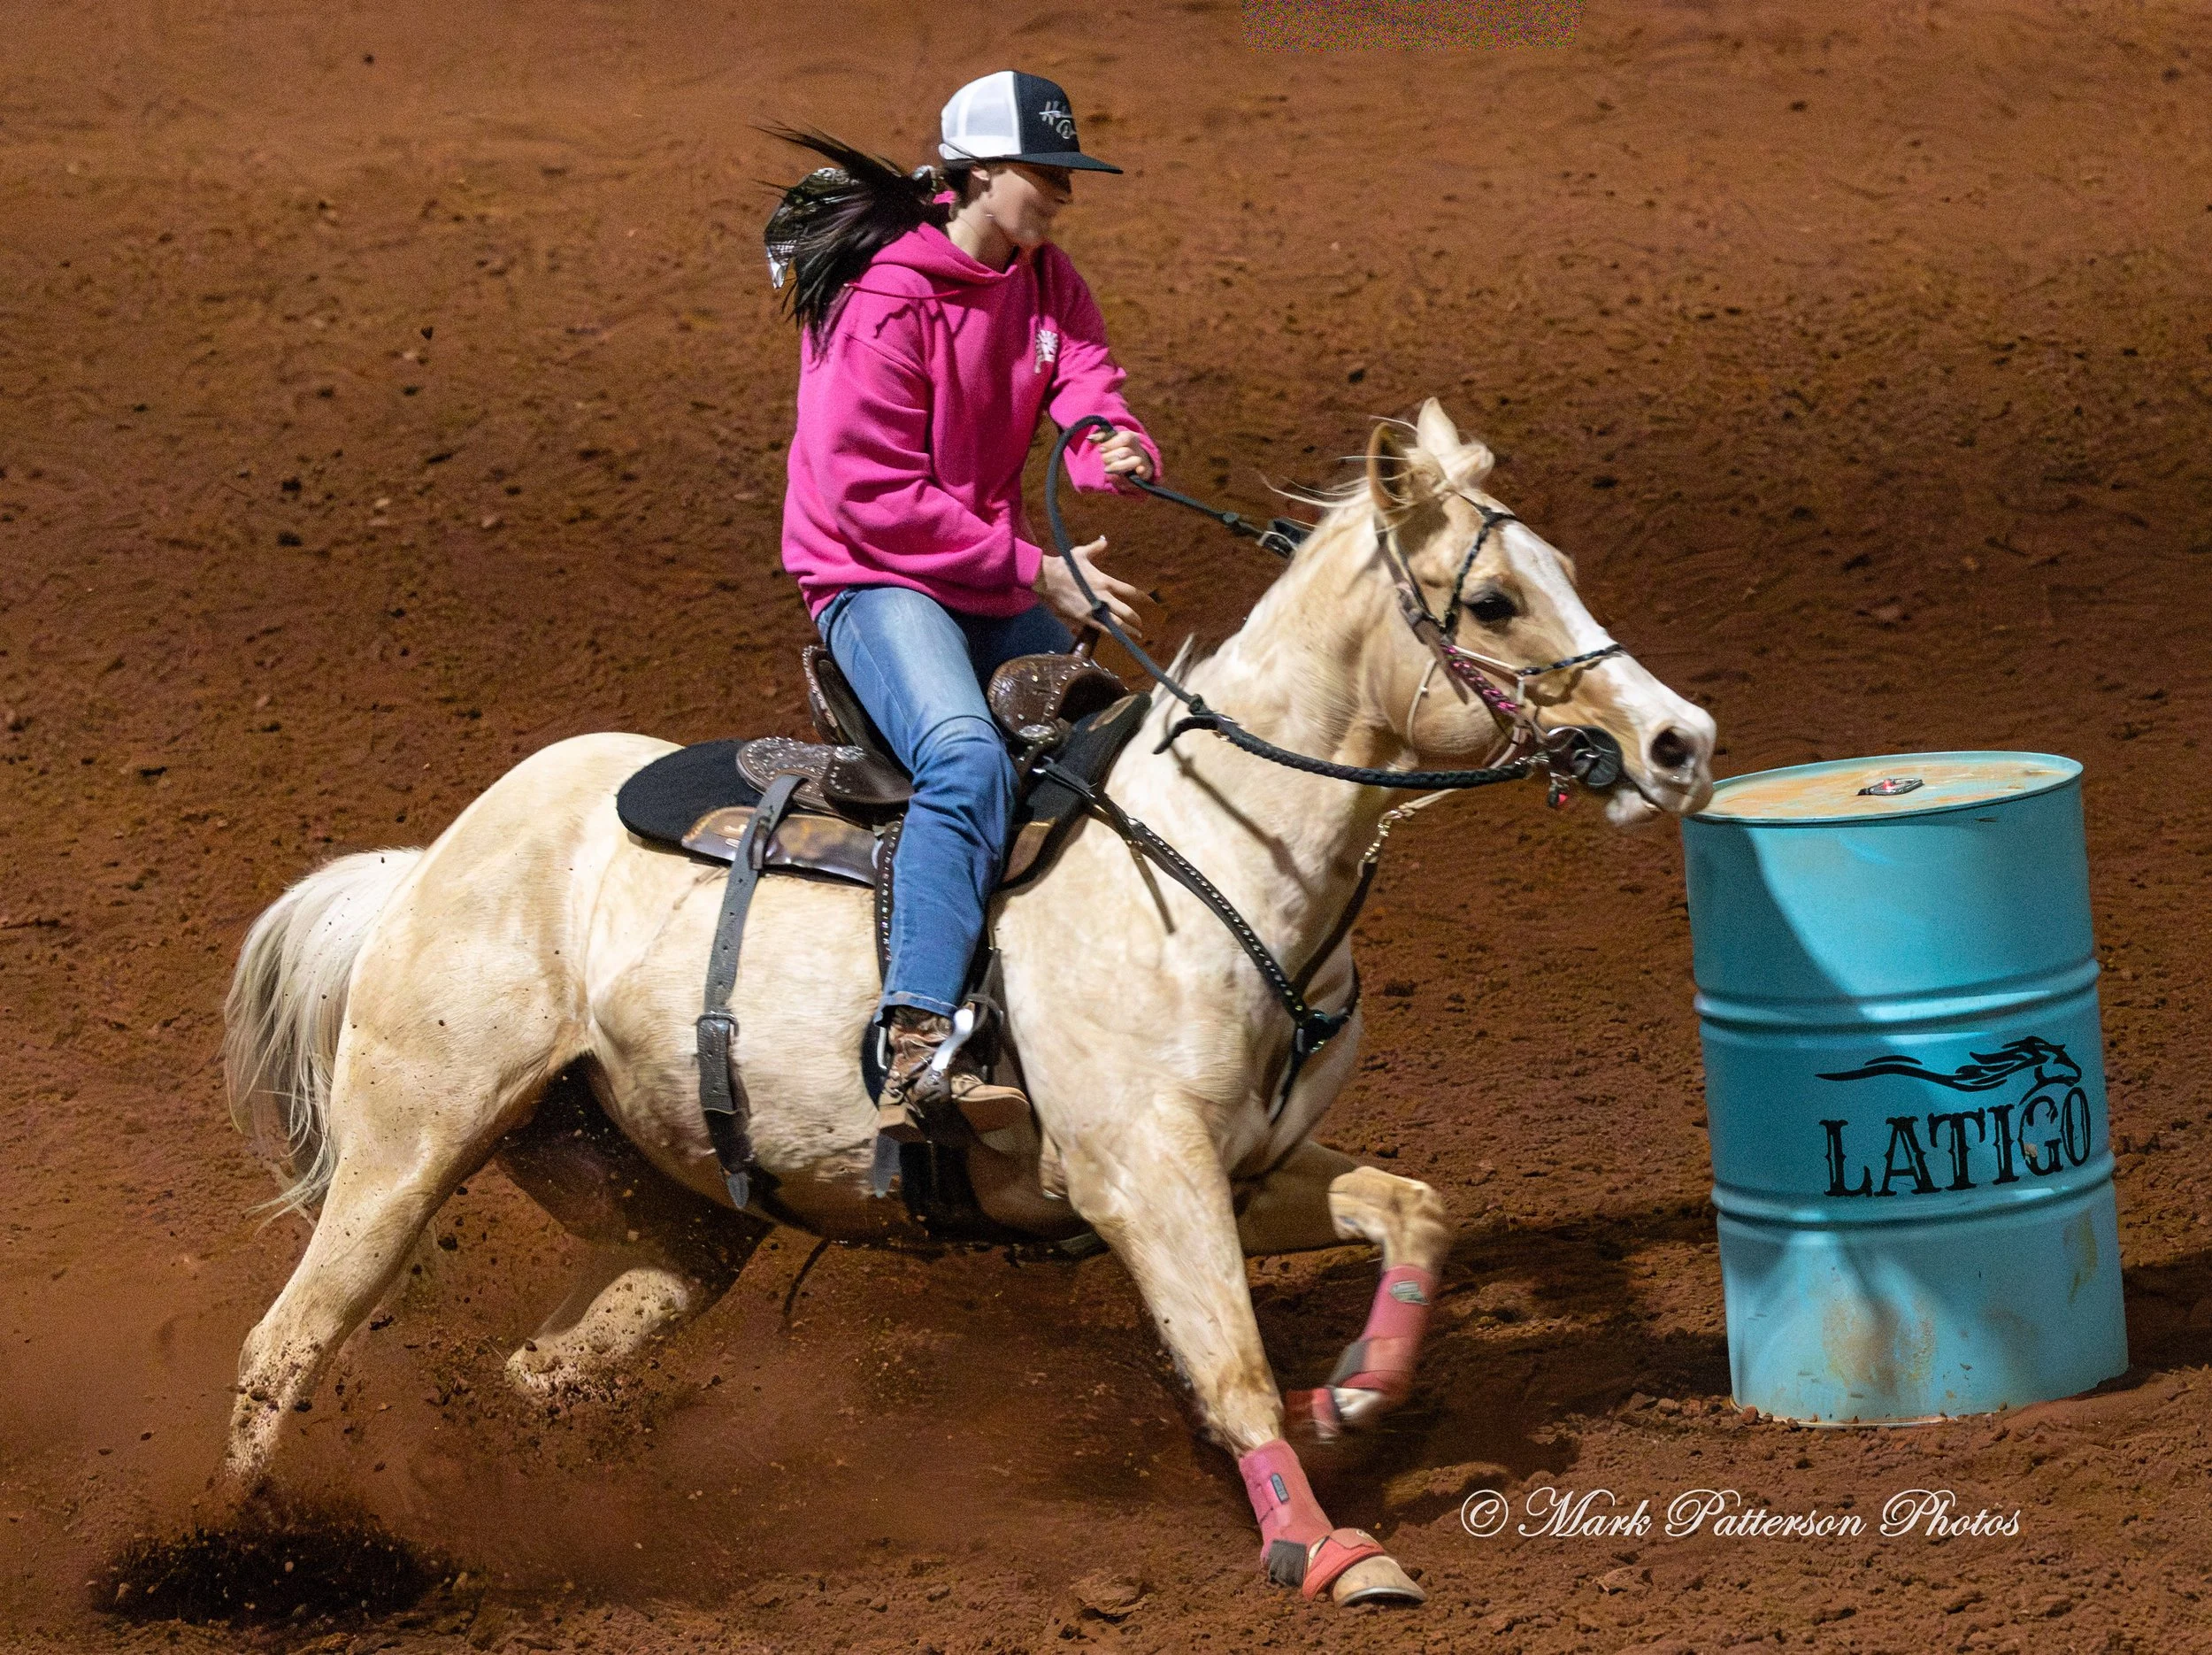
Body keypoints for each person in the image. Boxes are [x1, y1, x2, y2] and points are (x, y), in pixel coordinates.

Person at [767, 71, 1163, 1143]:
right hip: (871, 573)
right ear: (981, 172)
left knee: (1112, 754)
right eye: (1048, 174)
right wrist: (1039, 572)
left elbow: (1082, 376)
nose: (1063, 197)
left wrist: (1106, 443)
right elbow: (871, 496)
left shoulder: (1044, 276)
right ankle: (915, 1039)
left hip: (980, 570)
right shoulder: (886, 299)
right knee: (966, 759)